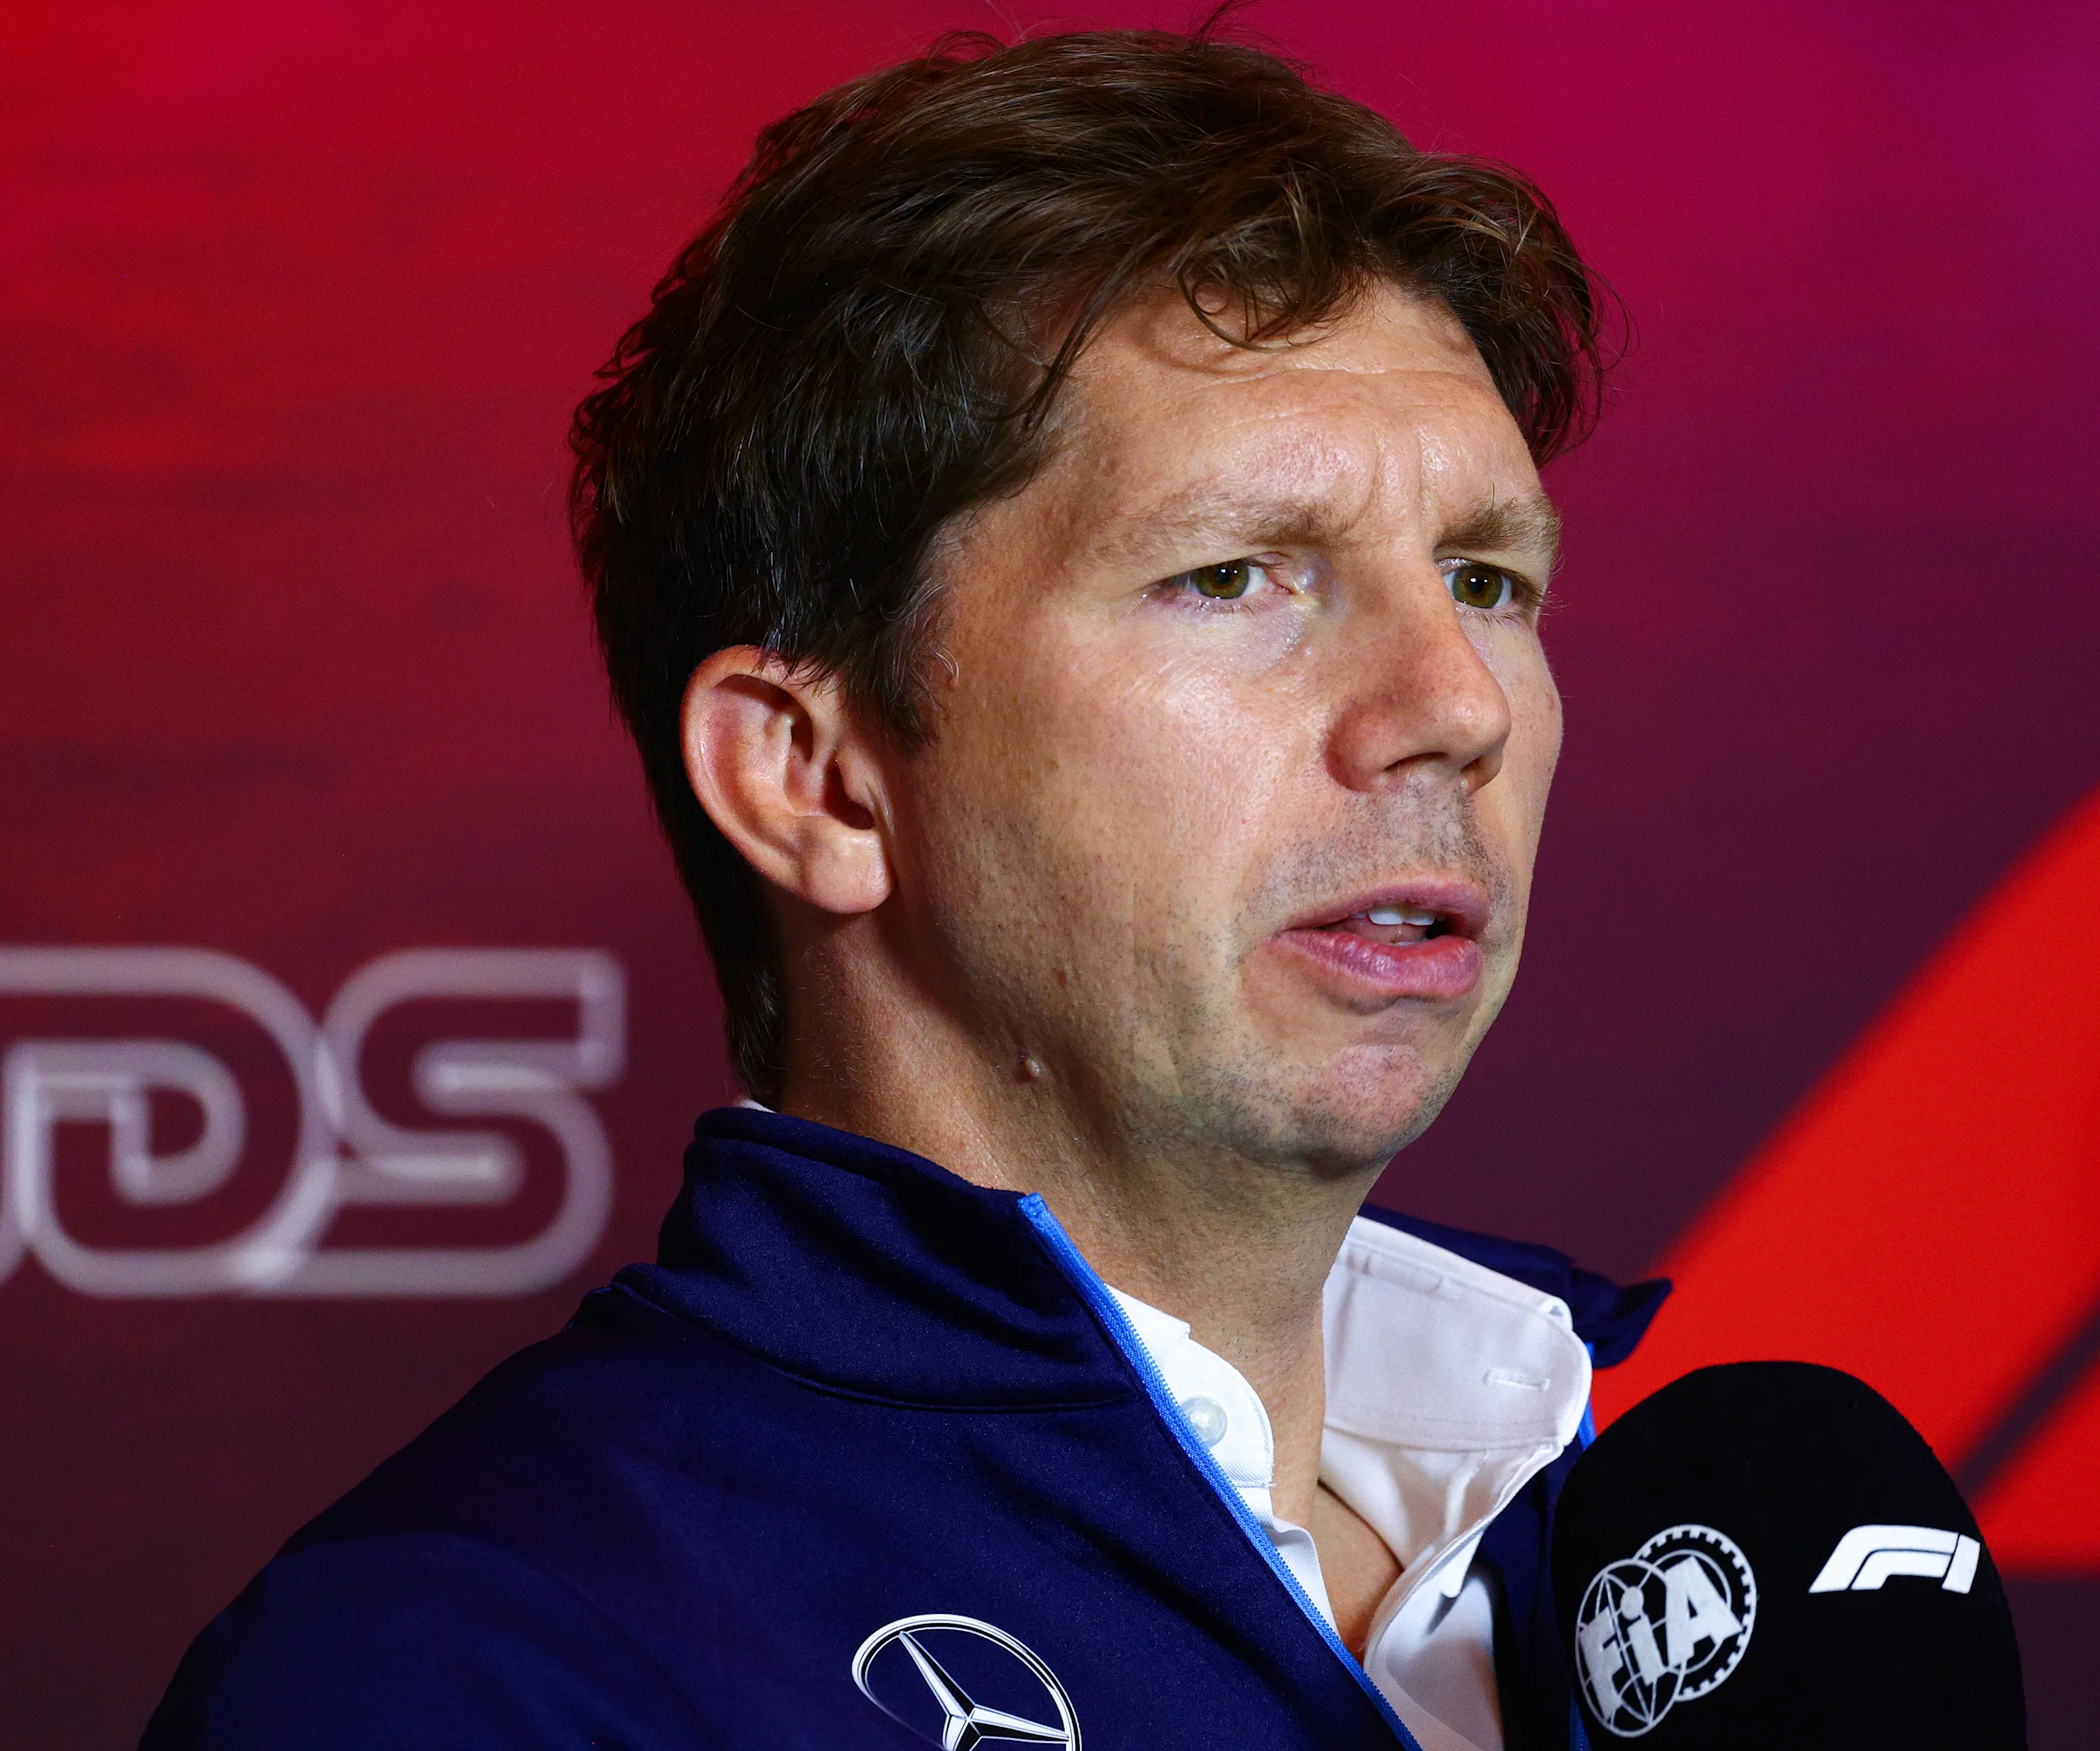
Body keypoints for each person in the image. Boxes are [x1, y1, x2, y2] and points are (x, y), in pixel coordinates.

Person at [144, 26, 1664, 1751]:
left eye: (1485, 575)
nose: (1456, 704)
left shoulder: (1677, 1573)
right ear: (814, 778)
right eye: (1234, 574)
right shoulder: (468, 1668)